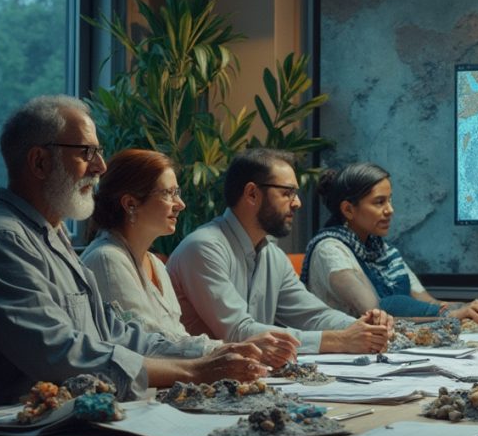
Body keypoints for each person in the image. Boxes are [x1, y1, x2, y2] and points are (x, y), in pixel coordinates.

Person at [0, 96, 268, 410]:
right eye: (86, 153)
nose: (101, 166)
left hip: (63, 421)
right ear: (40, 161)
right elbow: (60, 355)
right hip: (6, 435)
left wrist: (210, 352)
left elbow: (114, 334)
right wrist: (194, 371)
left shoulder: (52, 234)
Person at [80, 149, 299, 367]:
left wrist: (231, 350)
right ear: (130, 204)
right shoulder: (107, 259)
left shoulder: (154, 262)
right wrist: (228, 349)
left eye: (178, 192)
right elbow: (143, 347)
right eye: (168, 193)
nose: (180, 204)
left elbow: (176, 337)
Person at [167, 148, 393, 354]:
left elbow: (313, 315)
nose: (297, 204)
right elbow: (237, 332)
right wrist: (341, 340)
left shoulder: (272, 255)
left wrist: (364, 327)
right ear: (252, 194)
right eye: (287, 193)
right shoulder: (203, 247)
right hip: (193, 388)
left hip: (247, 379)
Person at [301, 163, 478, 324]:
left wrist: (470, 308)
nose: (390, 210)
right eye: (379, 202)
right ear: (348, 209)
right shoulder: (329, 250)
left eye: (390, 200)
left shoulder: (384, 250)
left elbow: (428, 302)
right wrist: (449, 316)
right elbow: (376, 312)